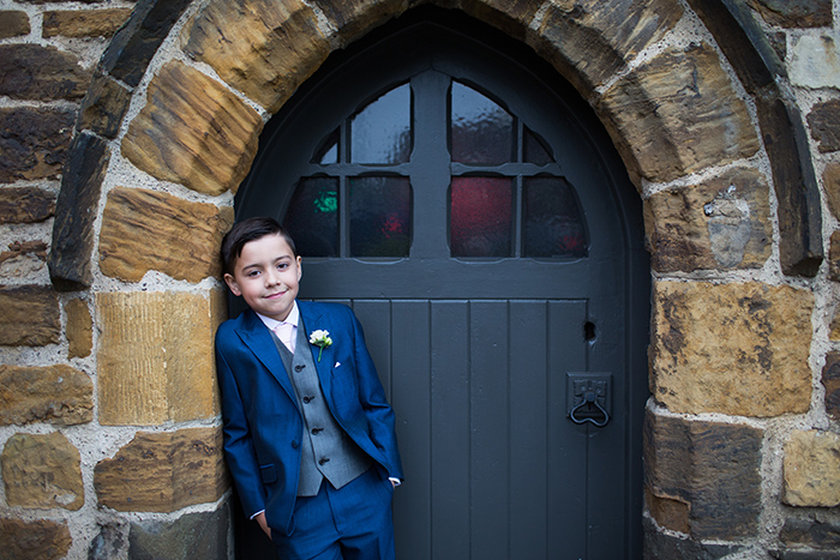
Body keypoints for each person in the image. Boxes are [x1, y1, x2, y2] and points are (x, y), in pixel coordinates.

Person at [215, 216, 403, 560]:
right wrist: (258, 509)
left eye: (282, 266)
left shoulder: (338, 321)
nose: (272, 281)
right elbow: (237, 432)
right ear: (234, 283)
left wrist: (388, 473)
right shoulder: (232, 340)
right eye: (254, 273)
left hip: (363, 490)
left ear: (298, 268)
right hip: (295, 506)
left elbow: (374, 402)